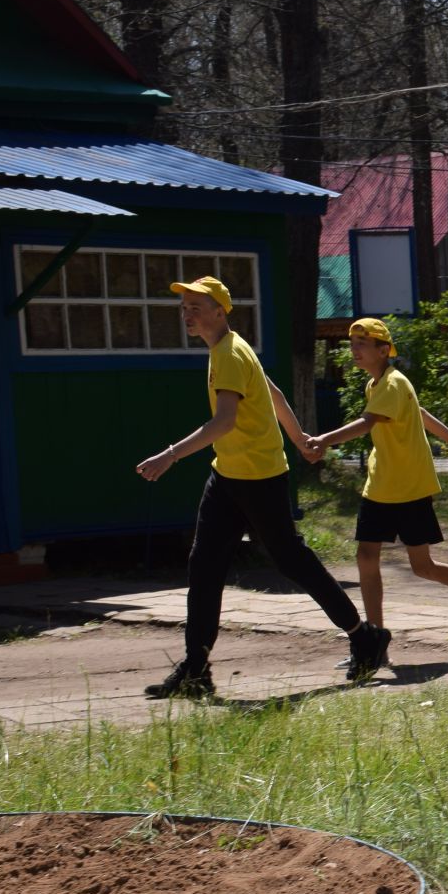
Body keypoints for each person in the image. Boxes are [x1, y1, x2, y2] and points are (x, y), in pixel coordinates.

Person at [135, 276, 386, 699]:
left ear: (220, 311)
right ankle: (196, 670)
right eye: (184, 307)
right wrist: (301, 437)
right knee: (204, 564)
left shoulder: (230, 354)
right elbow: (275, 395)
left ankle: (364, 637)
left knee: (292, 561)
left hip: (260, 478)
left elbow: (224, 422)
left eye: (197, 306)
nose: (188, 313)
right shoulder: (232, 347)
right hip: (228, 476)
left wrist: (170, 455)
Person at [304, 318, 448, 645]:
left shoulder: (393, 383)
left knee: (423, 566)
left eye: (362, 343)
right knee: (366, 557)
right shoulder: (377, 384)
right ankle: (375, 641)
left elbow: (367, 422)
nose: (354, 349)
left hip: (408, 488)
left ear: (383, 349)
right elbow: (421, 412)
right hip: (380, 485)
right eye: (352, 343)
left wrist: (323, 439)